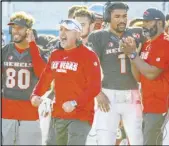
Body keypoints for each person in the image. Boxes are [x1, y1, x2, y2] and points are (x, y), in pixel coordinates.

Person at [30, 19, 101, 145]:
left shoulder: (89, 55)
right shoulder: (56, 54)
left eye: (67, 30)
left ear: (78, 34)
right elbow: (46, 78)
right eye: (61, 30)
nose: (62, 33)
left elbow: (95, 87)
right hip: (58, 114)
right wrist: (36, 94)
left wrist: (75, 103)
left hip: (81, 115)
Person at [88, 2, 144, 145]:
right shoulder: (98, 36)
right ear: (108, 17)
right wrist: (97, 92)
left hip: (133, 93)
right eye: (117, 16)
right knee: (105, 139)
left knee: (138, 139)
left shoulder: (137, 33)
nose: (122, 20)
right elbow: (89, 67)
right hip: (107, 94)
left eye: (124, 16)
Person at [121, 8, 169, 145]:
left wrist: (133, 55)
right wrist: (131, 55)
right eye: (144, 22)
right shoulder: (147, 44)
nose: (144, 25)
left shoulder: (165, 42)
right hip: (146, 104)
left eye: (148, 22)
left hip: (160, 105)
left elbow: (151, 73)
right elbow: (139, 77)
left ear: (159, 23)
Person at [1, 11, 48, 145]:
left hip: (29, 114)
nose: (15, 31)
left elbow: (43, 76)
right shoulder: (4, 51)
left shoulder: (38, 51)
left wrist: (32, 46)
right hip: (6, 112)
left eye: (20, 28)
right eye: (13, 27)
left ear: (29, 31)